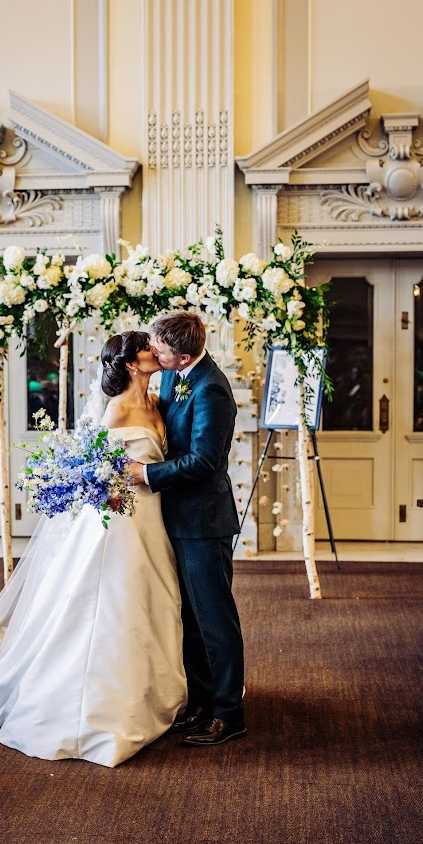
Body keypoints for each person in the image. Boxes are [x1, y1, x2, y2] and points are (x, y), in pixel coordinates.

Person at [0, 331, 187, 769]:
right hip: (117, 523)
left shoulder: (158, 403)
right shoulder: (116, 409)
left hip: (152, 522)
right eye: (148, 350)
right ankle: (95, 708)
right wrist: (108, 489)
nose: (156, 354)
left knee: (151, 603)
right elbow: (96, 469)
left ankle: (149, 691)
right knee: (111, 608)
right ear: (130, 364)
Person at [129, 313, 246, 746]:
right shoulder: (175, 377)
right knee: (190, 619)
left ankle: (229, 713)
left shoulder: (211, 389)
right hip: (175, 519)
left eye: (157, 349)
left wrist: (147, 474)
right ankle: (200, 702)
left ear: (182, 355)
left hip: (203, 523)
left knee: (215, 621)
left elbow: (203, 462)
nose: (152, 353)